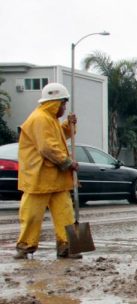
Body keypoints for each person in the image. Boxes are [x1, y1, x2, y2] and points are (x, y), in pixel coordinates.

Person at [14, 83, 80, 260]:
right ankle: (25, 245)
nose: (64, 108)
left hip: (55, 179)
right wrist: (68, 162)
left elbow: (58, 137)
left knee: (65, 213)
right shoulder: (40, 119)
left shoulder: (50, 120)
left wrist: (69, 125)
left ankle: (67, 245)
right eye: (63, 104)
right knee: (32, 215)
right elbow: (47, 148)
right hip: (39, 178)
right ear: (54, 103)